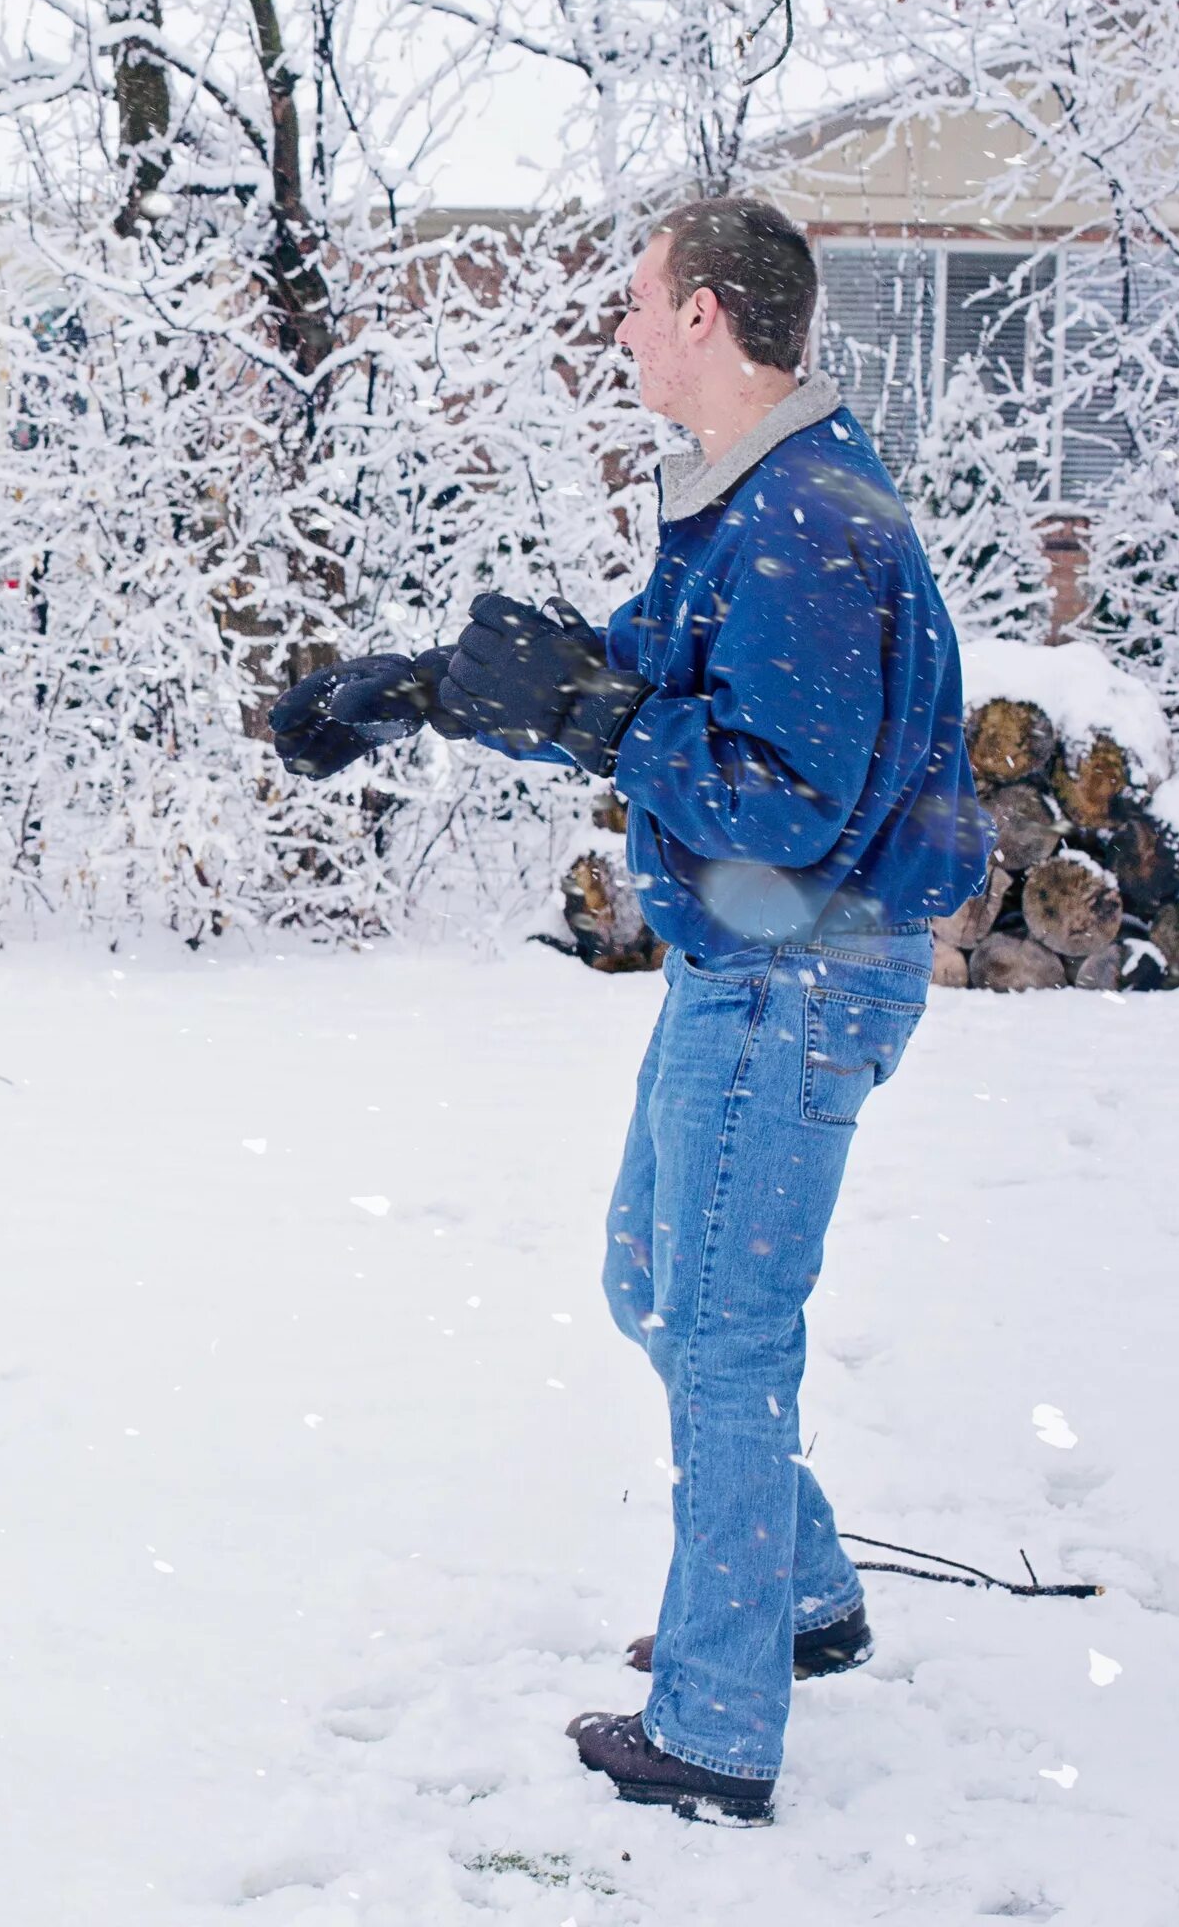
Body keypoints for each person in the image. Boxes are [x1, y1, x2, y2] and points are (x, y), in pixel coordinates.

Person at [269, 198, 989, 1824]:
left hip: (795, 968)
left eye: (639, 303)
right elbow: (637, 684)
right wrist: (417, 690)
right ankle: (798, 1595)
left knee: (722, 1332)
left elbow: (778, 802)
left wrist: (603, 723)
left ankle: (720, 1730)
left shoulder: (807, 527)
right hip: (763, 967)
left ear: (713, 317)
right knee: (654, 1280)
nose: (620, 331)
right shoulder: (761, 505)